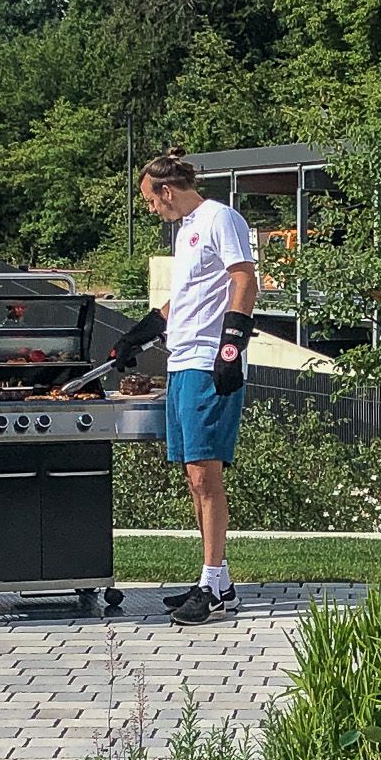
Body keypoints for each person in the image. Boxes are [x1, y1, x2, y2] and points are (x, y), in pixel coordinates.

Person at [107, 153, 258, 626]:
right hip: (180, 362)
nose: (152, 209)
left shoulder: (221, 218)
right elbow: (188, 298)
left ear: (166, 191)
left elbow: (245, 279)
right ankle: (220, 581)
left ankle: (210, 585)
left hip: (208, 363)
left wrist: (230, 346)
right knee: (194, 476)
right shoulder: (187, 231)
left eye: (151, 200)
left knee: (203, 475)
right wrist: (139, 332)